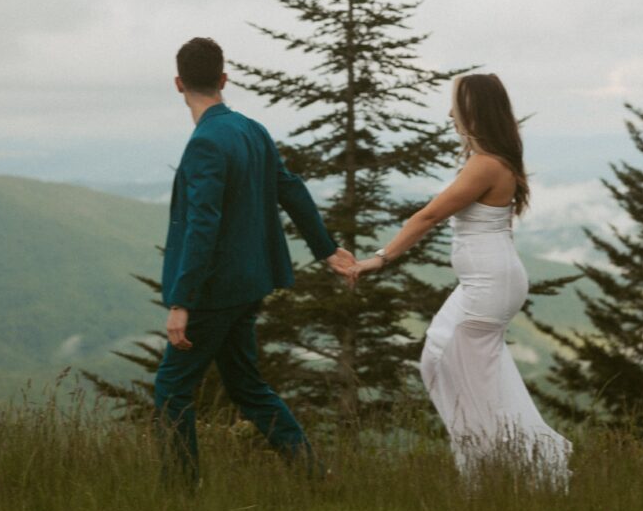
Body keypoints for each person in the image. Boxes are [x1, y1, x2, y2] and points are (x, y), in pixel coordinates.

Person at [348, 73, 571, 484]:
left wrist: (377, 260)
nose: (450, 113)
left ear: (473, 111)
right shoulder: (489, 160)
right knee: (442, 358)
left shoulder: (486, 164)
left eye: (456, 104)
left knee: (452, 367)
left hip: (490, 284)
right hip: (486, 282)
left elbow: (430, 215)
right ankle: (507, 459)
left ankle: (495, 469)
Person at [154, 37, 354, 487]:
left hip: (214, 291)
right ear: (224, 79)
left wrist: (182, 300)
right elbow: (291, 188)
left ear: (178, 83)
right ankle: (314, 475)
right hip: (249, 285)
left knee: (171, 389)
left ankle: (180, 494)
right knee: (246, 386)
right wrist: (325, 249)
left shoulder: (205, 142)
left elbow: (202, 225)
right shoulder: (251, 130)